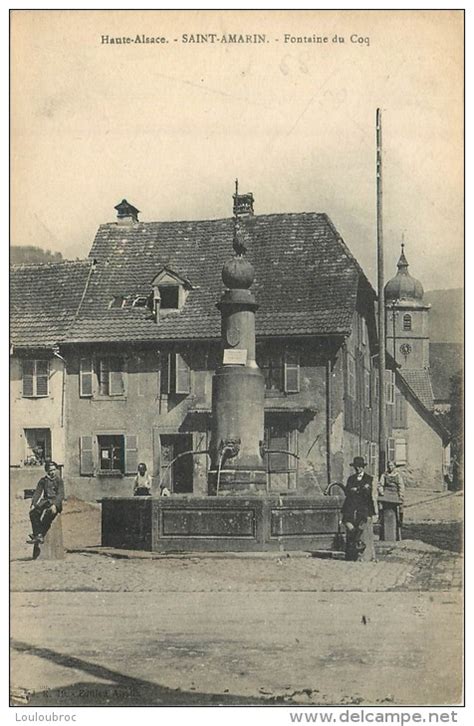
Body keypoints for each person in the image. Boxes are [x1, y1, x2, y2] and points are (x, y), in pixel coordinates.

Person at [341, 456, 378, 561]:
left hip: (364, 507)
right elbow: (348, 491)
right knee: (347, 523)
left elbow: (368, 494)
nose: (358, 469)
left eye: (360, 467)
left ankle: (363, 552)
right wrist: (356, 490)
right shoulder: (351, 478)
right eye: (356, 467)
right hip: (351, 506)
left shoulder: (369, 479)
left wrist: (357, 490)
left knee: (363, 525)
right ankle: (356, 545)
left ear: (363, 468)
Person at [28, 460, 64, 545]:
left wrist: (55, 505)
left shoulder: (59, 480)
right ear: (47, 471)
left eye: (54, 470)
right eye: (50, 470)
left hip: (55, 502)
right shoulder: (43, 480)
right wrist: (33, 503)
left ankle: (39, 534)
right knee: (33, 513)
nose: (52, 472)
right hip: (45, 501)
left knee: (50, 512)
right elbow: (37, 492)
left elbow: (61, 495)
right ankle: (37, 534)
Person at [378, 460, 405, 538]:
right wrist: (382, 492)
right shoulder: (384, 475)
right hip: (386, 492)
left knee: (400, 507)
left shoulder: (398, 475)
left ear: (394, 467)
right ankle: (381, 519)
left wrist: (401, 495)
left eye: (392, 466)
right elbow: (380, 484)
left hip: (395, 493)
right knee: (381, 505)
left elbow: (401, 486)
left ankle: (400, 522)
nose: (390, 467)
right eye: (389, 466)